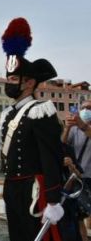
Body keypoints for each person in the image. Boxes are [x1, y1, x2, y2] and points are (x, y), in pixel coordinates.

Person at [0, 17, 65, 241]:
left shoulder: (41, 111)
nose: (9, 82)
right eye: (9, 78)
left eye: (14, 78)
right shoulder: (9, 114)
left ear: (29, 82)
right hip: (12, 189)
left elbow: (51, 156)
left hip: (34, 189)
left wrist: (53, 199)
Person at [62, 100, 91, 240]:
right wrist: (67, 128)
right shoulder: (74, 129)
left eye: (89, 108)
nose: (85, 110)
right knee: (79, 217)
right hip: (77, 177)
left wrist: (83, 126)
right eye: (83, 107)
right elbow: (61, 144)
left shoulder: (83, 126)